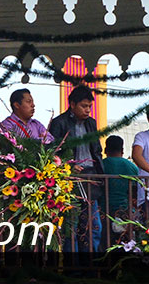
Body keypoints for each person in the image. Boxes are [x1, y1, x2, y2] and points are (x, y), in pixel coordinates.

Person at [48, 85, 103, 253]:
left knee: (94, 225)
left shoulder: (91, 123)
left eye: (90, 107)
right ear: (72, 104)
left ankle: (90, 263)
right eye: (84, 106)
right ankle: (73, 264)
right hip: (70, 180)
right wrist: (69, 166)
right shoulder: (59, 123)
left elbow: (97, 150)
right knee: (72, 225)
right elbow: (52, 152)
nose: (88, 110)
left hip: (91, 178)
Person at [101, 135, 140, 225]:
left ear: (105, 150)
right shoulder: (131, 166)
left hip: (103, 210)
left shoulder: (101, 165)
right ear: (122, 150)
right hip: (126, 210)